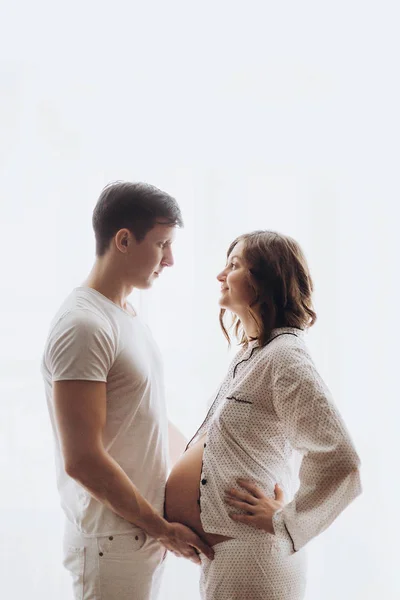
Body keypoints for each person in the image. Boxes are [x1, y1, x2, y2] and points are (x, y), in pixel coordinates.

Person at [165, 230, 362, 600]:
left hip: (253, 561)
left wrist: (288, 521)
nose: (221, 275)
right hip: (227, 559)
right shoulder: (251, 355)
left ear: (266, 279)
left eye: (235, 265)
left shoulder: (285, 356)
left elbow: (341, 459)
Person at [41, 181, 214, 600]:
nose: (170, 260)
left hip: (138, 536)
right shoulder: (84, 326)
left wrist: (214, 468)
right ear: (123, 240)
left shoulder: (126, 315)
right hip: (112, 541)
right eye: (161, 244)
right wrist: (161, 529)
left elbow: (145, 419)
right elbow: (81, 459)